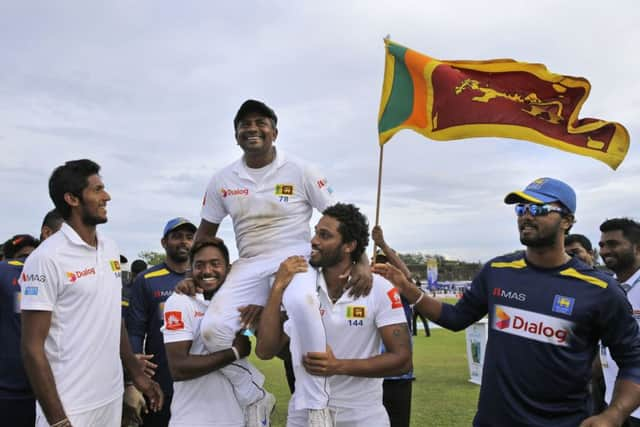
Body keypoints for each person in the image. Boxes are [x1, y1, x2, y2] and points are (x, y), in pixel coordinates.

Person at [373, 177, 640, 427]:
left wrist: (614, 415)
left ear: (567, 221)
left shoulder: (600, 289)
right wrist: (407, 288)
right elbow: (455, 318)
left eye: (538, 209)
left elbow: (634, 361)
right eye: (521, 208)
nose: (526, 215)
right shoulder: (498, 270)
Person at [195, 99, 372, 427]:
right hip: (249, 261)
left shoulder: (302, 170)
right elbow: (206, 231)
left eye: (260, 122)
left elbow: (338, 217)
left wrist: (361, 261)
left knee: (304, 306)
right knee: (212, 331)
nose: (252, 128)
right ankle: (254, 394)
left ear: (274, 132)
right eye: (244, 124)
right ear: (236, 136)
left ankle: (317, 404)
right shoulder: (222, 179)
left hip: (296, 257)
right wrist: (189, 274)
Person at [20, 159, 163, 427]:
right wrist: (58, 420)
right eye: (97, 190)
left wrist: (135, 373)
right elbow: (31, 348)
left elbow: (112, 317)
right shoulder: (46, 258)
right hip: (70, 407)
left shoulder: (110, 248)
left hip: (109, 398)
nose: (106, 196)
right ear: (72, 199)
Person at [257, 203, 411, 427]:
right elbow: (264, 350)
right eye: (316, 232)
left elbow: (402, 359)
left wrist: (338, 366)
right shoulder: (299, 286)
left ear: (349, 245)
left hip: (362, 416)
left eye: (324, 235)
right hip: (304, 414)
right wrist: (278, 288)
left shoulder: (378, 288)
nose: (314, 241)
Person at [163, 238, 263, 427]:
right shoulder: (181, 301)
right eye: (199, 265)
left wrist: (250, 328)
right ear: (191, 269)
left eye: (215, 264)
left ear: (228, 268)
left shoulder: (239, 304)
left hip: (236, 417)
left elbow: (253, 339)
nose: (207, 271)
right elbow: (179, 368)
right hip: (192, 419)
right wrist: (233, 353)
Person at [126, 217, 196, 427]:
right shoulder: (147, 279)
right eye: (176, 237)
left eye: (189, 237)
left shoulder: (204, 277)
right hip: (161, 378)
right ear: (164, 243)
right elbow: (135, 331)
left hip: (200, 375)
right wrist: (136, 374)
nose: (183, 242)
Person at [371, 226, 416, 427]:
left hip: (398, 376)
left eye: (387, 266)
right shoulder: (366, 293)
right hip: (370, 374)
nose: (383, 270)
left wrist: (382, 245)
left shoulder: (403, 294)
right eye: (379, 266)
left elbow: (408, 278)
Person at [599, 218, 640, 426]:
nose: (605, 250)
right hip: (614, 405)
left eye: (613, 244)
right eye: (602, 245)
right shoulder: (607, 290)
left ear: (637, 248)